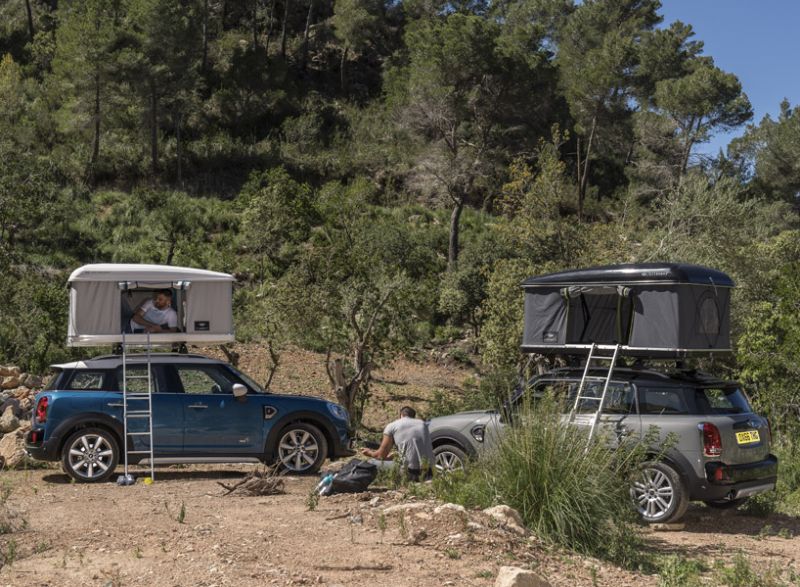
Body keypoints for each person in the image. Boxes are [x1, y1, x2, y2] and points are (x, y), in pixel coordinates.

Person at [361, 406, 435, 481]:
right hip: (430, 472)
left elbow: (380, 456)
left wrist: (369, 453)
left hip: (410, 473)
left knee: (370, 462)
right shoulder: (423, 424)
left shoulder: (392, 426)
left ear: (400, 415)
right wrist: (397, 455)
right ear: (413, 416)